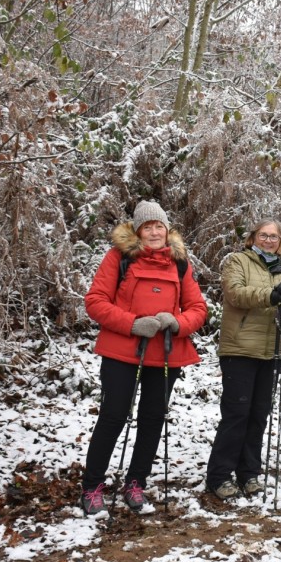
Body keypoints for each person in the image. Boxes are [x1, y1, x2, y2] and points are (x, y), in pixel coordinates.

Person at [80, 201, 207, 515]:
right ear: (137, 231)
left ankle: (136, 482)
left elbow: (198, 308)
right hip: (122, 350)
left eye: (159, 226)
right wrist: (132, 323)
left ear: (167, 230)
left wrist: (177, 323)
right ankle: (92, 486)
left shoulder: (179, 263)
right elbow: (95, 301)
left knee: (152, 420)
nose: (154, 231)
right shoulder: (119, 258)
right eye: (147, 226)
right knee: (113, 415)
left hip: (164, 353)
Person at [205, 220, 281, 500]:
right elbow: (235, 294)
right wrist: (271, 295)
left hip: (271, 349)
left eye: (274, 236)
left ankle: (249, 472)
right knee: (236, 414)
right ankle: (219, 475)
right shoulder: (238, 261)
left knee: (259, 414)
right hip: (240, 348)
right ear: (253, 238)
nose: (269, 240)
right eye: (264, 235)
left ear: (280, 241)